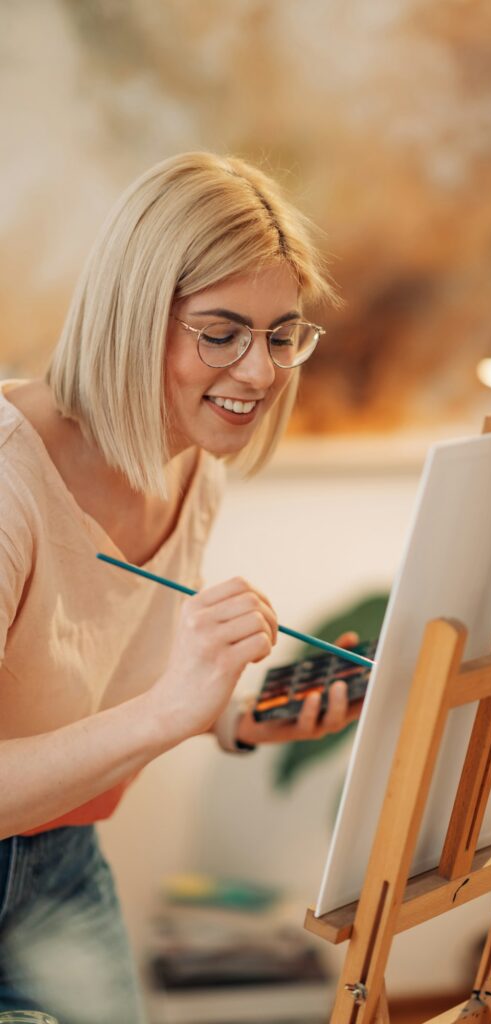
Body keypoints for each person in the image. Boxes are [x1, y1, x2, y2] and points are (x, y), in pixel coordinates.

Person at [0, 152, 360, 1022]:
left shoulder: (194, 469)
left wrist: (239, 715)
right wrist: (174, 708)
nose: (261, 372)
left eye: (281, 334)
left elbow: (112, 681)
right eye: (221, 330)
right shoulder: (9, 479)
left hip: (58, 855)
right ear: (132, 315)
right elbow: (153, 706)